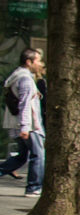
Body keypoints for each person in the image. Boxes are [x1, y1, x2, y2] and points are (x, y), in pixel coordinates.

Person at [0, 48, 45, 197]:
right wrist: (25, 127)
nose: (40, 63)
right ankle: (33, 188)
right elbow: (25, 104)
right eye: (37, 60)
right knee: (38, 155)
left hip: (20, 124)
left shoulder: (16, 76)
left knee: (21, 156)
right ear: (28, 61)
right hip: (29, 125)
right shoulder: (25, 79)